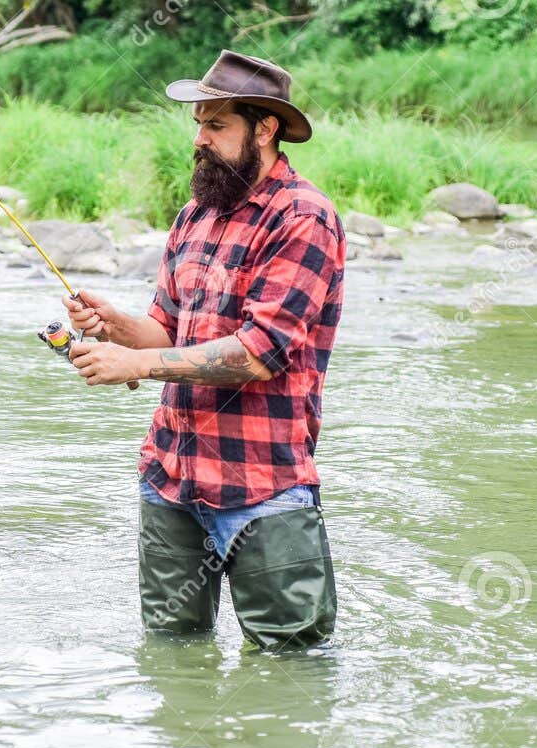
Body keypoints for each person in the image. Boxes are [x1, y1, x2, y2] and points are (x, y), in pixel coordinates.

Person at [63, 49, 344, 649]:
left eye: (216, 125)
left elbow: (259, 352)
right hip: (169, 479)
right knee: (172, 658)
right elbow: (168, 330)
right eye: (198, 123)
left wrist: (135, 364)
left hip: (262, 486)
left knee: (289, 666)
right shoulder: (196, 214)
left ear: (264, 129)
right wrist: (117, 327)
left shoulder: (303, 218)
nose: (200, 138)